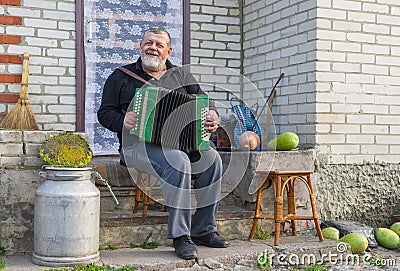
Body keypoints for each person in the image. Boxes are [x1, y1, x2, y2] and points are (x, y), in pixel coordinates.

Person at [97, 27, 229, 260]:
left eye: (159, 45)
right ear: (140, 46)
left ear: (168, 51)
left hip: (181, 143)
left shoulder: (181, 76)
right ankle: (180, 236)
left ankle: (203, 230)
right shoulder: (121, 76)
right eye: (149, 43)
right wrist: (123, 120)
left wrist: (213, 116)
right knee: (176, 161)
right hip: (135, 147)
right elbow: (104, 113)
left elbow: (205, 103)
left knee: (212, 160)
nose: (153, 48)